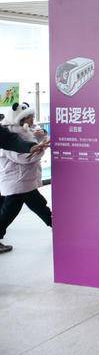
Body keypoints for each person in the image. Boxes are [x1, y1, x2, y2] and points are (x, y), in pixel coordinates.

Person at [0, 103, 52, 254]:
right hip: (16, 181)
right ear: (21, 119)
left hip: (23, 181)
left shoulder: (24, 131)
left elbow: (30, 142)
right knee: (9, 212)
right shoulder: (11, 134)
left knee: (39, 204)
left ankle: (56, 224)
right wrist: (41, 147)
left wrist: (41, 137)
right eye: (30, 117)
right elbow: (24, 158)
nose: (33, 120)